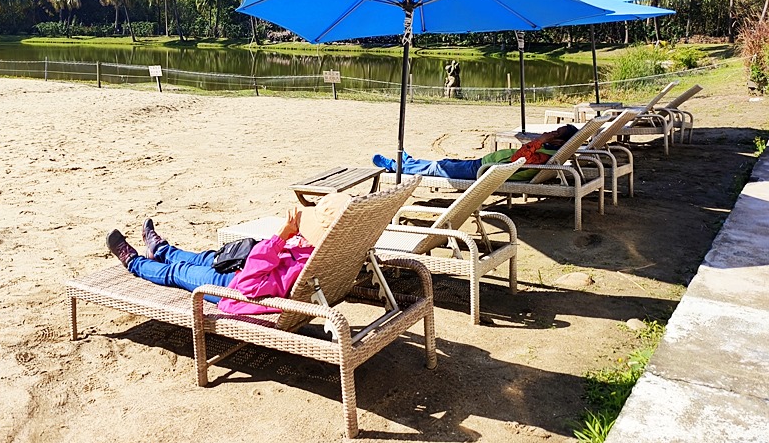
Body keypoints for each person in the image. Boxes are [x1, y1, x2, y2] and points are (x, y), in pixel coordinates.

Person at [105, 192, 351, 315]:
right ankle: (160, 249)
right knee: (202, 257)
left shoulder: (303, 265)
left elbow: (248, 285)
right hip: (246, 267)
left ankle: (133, 261)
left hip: (232, 287)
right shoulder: (328, 251)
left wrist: (280, 238)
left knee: (179, 272)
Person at [372, 124, 578, 180]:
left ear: (559, 140)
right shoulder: (550, 152)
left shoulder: (543, 154)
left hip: (485, 171)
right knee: (444, 162)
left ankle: (398, 165)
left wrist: (541, 139)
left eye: (555, 132)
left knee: (439, 167)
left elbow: (517, 161)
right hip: (484, 165)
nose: (550, 131)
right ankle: (410, 163)